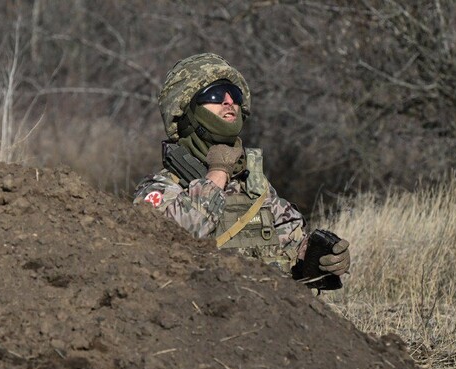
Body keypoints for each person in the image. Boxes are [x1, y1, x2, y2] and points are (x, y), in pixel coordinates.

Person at [134, 53, 350, 287]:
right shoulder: (162, 188)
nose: (229, 101)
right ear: (187, 112)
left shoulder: (252, 184)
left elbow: (290, 251)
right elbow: (165, 244)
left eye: (234, 94)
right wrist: (217, 173)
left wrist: (317, 260)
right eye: (215, 95)